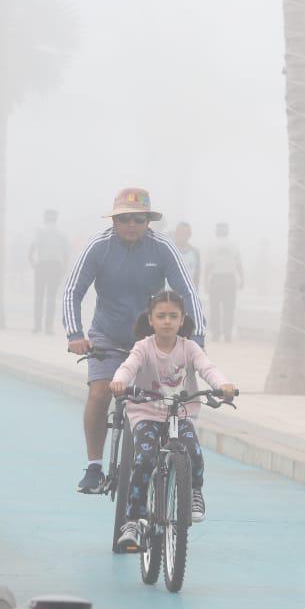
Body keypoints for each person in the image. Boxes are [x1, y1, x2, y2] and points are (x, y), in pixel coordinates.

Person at [64, 188, 206, 494]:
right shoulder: (98, 247)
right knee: (100, 393)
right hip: (108, 338)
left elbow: (189, 294)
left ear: (148, 222)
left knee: (164, 402)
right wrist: (75, 335)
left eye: (138, 219)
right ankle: (94, 467)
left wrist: (198, 340)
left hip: (152, 340)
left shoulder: (163, 248)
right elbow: (73, 290)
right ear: (114, 220)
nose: (131, 224)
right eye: (124, 218)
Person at [110, 290, 237, 551]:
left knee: (193, 451)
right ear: (151, 320)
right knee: (143, 459)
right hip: (146, 412)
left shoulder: (189, 347)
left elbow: (207, 368)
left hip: (180, 413)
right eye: (161, 316)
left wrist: (222, 384)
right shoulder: (143, 347)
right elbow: (129, 366)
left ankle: (194, 494)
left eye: (173, 316)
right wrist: (120, 380)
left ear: (182, 320)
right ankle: (133, 521)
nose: (167, 321)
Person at [28, 209, 69, 334]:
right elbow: (66, 252)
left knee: (39, 296)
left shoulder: (40, 230)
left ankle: (37, 326)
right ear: (56, 219)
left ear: (45, 218)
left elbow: (32, 246)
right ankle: (48, 327)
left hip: (42, 265)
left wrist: (32, 261)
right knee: (51, 297)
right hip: (55, 266)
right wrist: (64, 268)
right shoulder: (61, 232)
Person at [205, 222, 245, 342]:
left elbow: (208, 266)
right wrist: (242, 279)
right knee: (228, 307)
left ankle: (216, 334)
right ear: (227, 231)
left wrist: (205, 281)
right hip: (229, 279)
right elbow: (238, 264)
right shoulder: (233, 244)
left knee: (215, 308)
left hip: (217, 279)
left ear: (217, 231)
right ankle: (227, 334)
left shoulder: (211, 245)